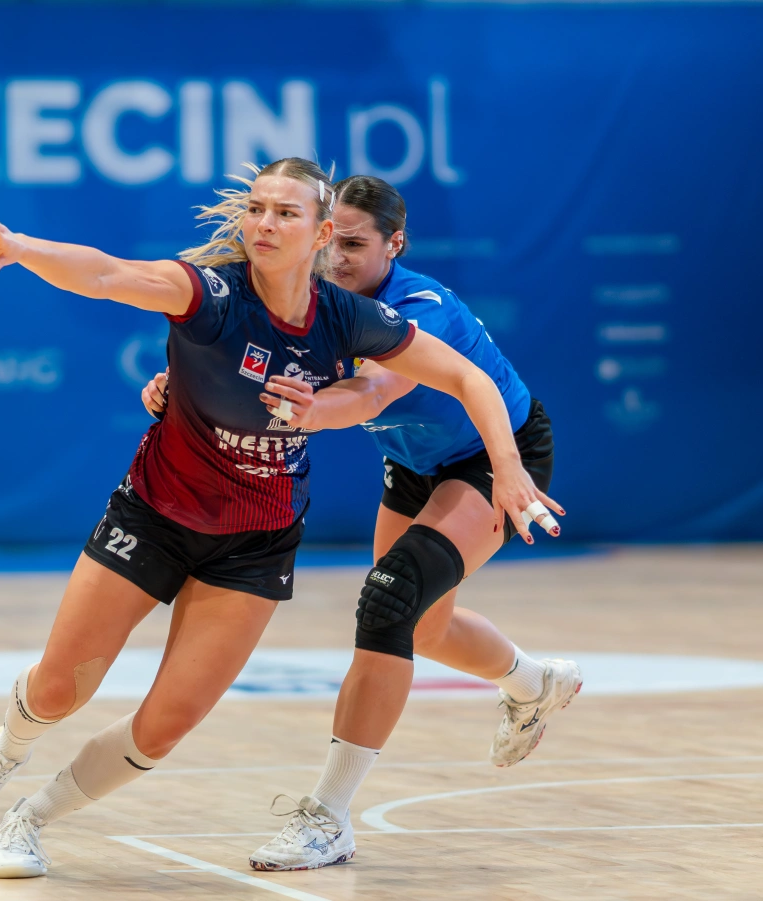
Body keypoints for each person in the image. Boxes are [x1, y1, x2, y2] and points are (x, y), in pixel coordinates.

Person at [0, 159, 559, 880]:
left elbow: (442, 381)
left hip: (256, 539)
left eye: (285, 213)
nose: (264, 223)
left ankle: (30, 818)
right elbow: (108, 274)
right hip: (159, 512)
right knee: (58, 689)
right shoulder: (211, 293)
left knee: (167, 725)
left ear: (319, 233)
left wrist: (500, 467)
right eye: (256, 208)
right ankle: (2, 750)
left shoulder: (353, 314)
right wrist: (23, 248)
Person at [140, 175, 580, 872]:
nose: (336, 258)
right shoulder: (312, 297)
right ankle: (535, 683)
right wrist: (179, 384)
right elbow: (239, 350)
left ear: (394, 244)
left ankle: (328, 817)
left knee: (389, 602)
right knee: (423, 627)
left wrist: (314, 410)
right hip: (414, 461)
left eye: (354, 245)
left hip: (494, 456)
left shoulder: (419, 308)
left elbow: (373, 390)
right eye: (330, 242)